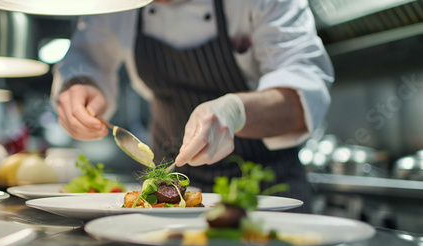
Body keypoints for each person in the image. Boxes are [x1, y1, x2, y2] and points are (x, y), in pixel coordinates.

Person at [50, 0, 334, 213]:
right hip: (167, 201)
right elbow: (87, 57)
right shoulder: (121, 4)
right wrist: (82, 85)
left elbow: (303, 95)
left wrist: (235, 111)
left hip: (266, 197)